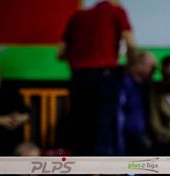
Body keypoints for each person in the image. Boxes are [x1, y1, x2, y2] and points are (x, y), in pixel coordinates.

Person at [58, 0, 136, 156]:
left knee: (80, 126)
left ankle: (79, 168)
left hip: (79, 77)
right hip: (105, 77)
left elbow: (60, 53)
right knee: (103, 129)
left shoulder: (78, 16)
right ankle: (100, 169)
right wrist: (128, 66)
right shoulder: (117, 11)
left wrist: (82, 59)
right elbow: (131, 44)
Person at [118, 50, 157, 155]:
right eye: (151, 67)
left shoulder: (147, 87)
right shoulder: (124, 84)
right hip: (126, 137)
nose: (153, 71)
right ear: (140, 65)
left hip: (141, 136)